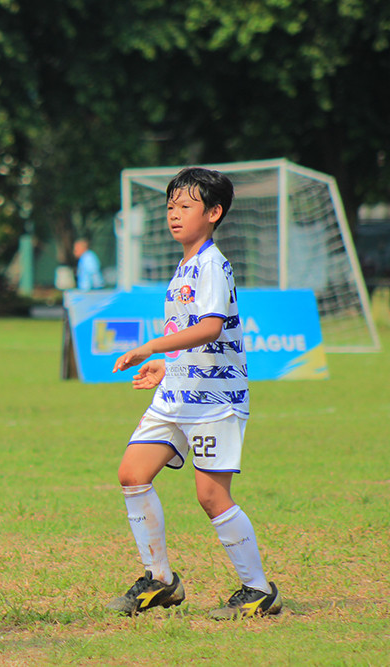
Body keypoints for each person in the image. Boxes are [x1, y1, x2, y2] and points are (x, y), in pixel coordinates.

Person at [106, 167, 282, 620]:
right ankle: (161, 581)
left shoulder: (212, 265)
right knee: (132, 473)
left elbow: (208, 328)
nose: (174, 215)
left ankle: (259, 589)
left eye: (185, 206)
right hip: (178, 393)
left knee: (211, 497)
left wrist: (149, 346)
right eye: (170, 206)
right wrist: (166, 365)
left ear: (214, 212)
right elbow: (193, 336)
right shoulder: (185, 264)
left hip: (215, 400)